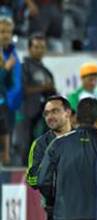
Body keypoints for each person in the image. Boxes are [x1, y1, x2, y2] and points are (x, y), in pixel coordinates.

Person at [25, 95, 72, 220]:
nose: (50, 116)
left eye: (55, 111)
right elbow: (32, 178)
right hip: (57, 216)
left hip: (89, 215)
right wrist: (54, 176)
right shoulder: (40, 144)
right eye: (46, 113)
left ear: (68, 113)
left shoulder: (83, 139)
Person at [18, 34, 56, 165]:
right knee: (25, 144)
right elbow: (23, 89)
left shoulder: (47, 71)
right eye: (36, 47)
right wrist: (43, 87)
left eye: (42, 47)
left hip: (45, 114)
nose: (39, 50)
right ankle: (23, 176)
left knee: (43, 146)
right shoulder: (24, 67)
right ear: (29, 49)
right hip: (27, 111)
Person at [0, 16, 22, 165]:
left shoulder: (13, 54)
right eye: (2, 31)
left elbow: (12, 82)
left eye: (8, 31)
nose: (6, 35)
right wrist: (5, 69)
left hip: (11, 107)